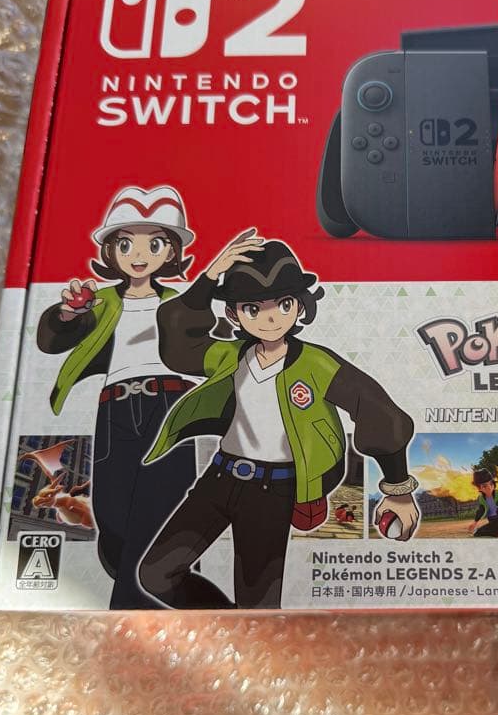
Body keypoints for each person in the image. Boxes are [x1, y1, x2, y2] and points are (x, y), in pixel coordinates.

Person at [138, 232, 420, 609]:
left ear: (299, 306)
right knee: (156, 573)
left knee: (258, 606)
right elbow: (179, 345)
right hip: (219, 479)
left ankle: (246, 629)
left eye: (283, 304)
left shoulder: (316, 364)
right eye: (253, 308)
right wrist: (209, 277)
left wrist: (397, 488)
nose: (270, 318)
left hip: (274, 491)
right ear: (234, 313)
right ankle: (230, 628)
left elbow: (376, 410)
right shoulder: (229, 356)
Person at [36, 185, 198, 607]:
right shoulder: (102, 301)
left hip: (169, 405)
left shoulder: (180, 302)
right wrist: (68, 312)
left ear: (171, 252)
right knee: (111, 515)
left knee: (163, 508)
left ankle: (131, 606)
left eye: (154, 244)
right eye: (126, 244)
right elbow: (52, 340)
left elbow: (206, 344)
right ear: (111, 252)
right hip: (115, 409)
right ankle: (170, 585)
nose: (138, 254)